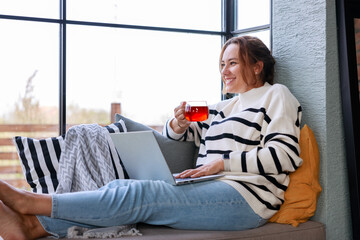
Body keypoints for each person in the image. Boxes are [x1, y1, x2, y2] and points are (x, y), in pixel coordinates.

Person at [0, 36, 303, 240]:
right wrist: (178, 123)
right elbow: (176, 136)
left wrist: (220, 165)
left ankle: (30, 203)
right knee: (124, 187)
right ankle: (29, 226)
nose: (224, 71)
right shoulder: (221, 107)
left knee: (143, 195)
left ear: (257, 66)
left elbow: (286, 155)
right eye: (222, 64)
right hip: (206, 186)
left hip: (247, 199)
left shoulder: (275, 96)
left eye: (233, 63)